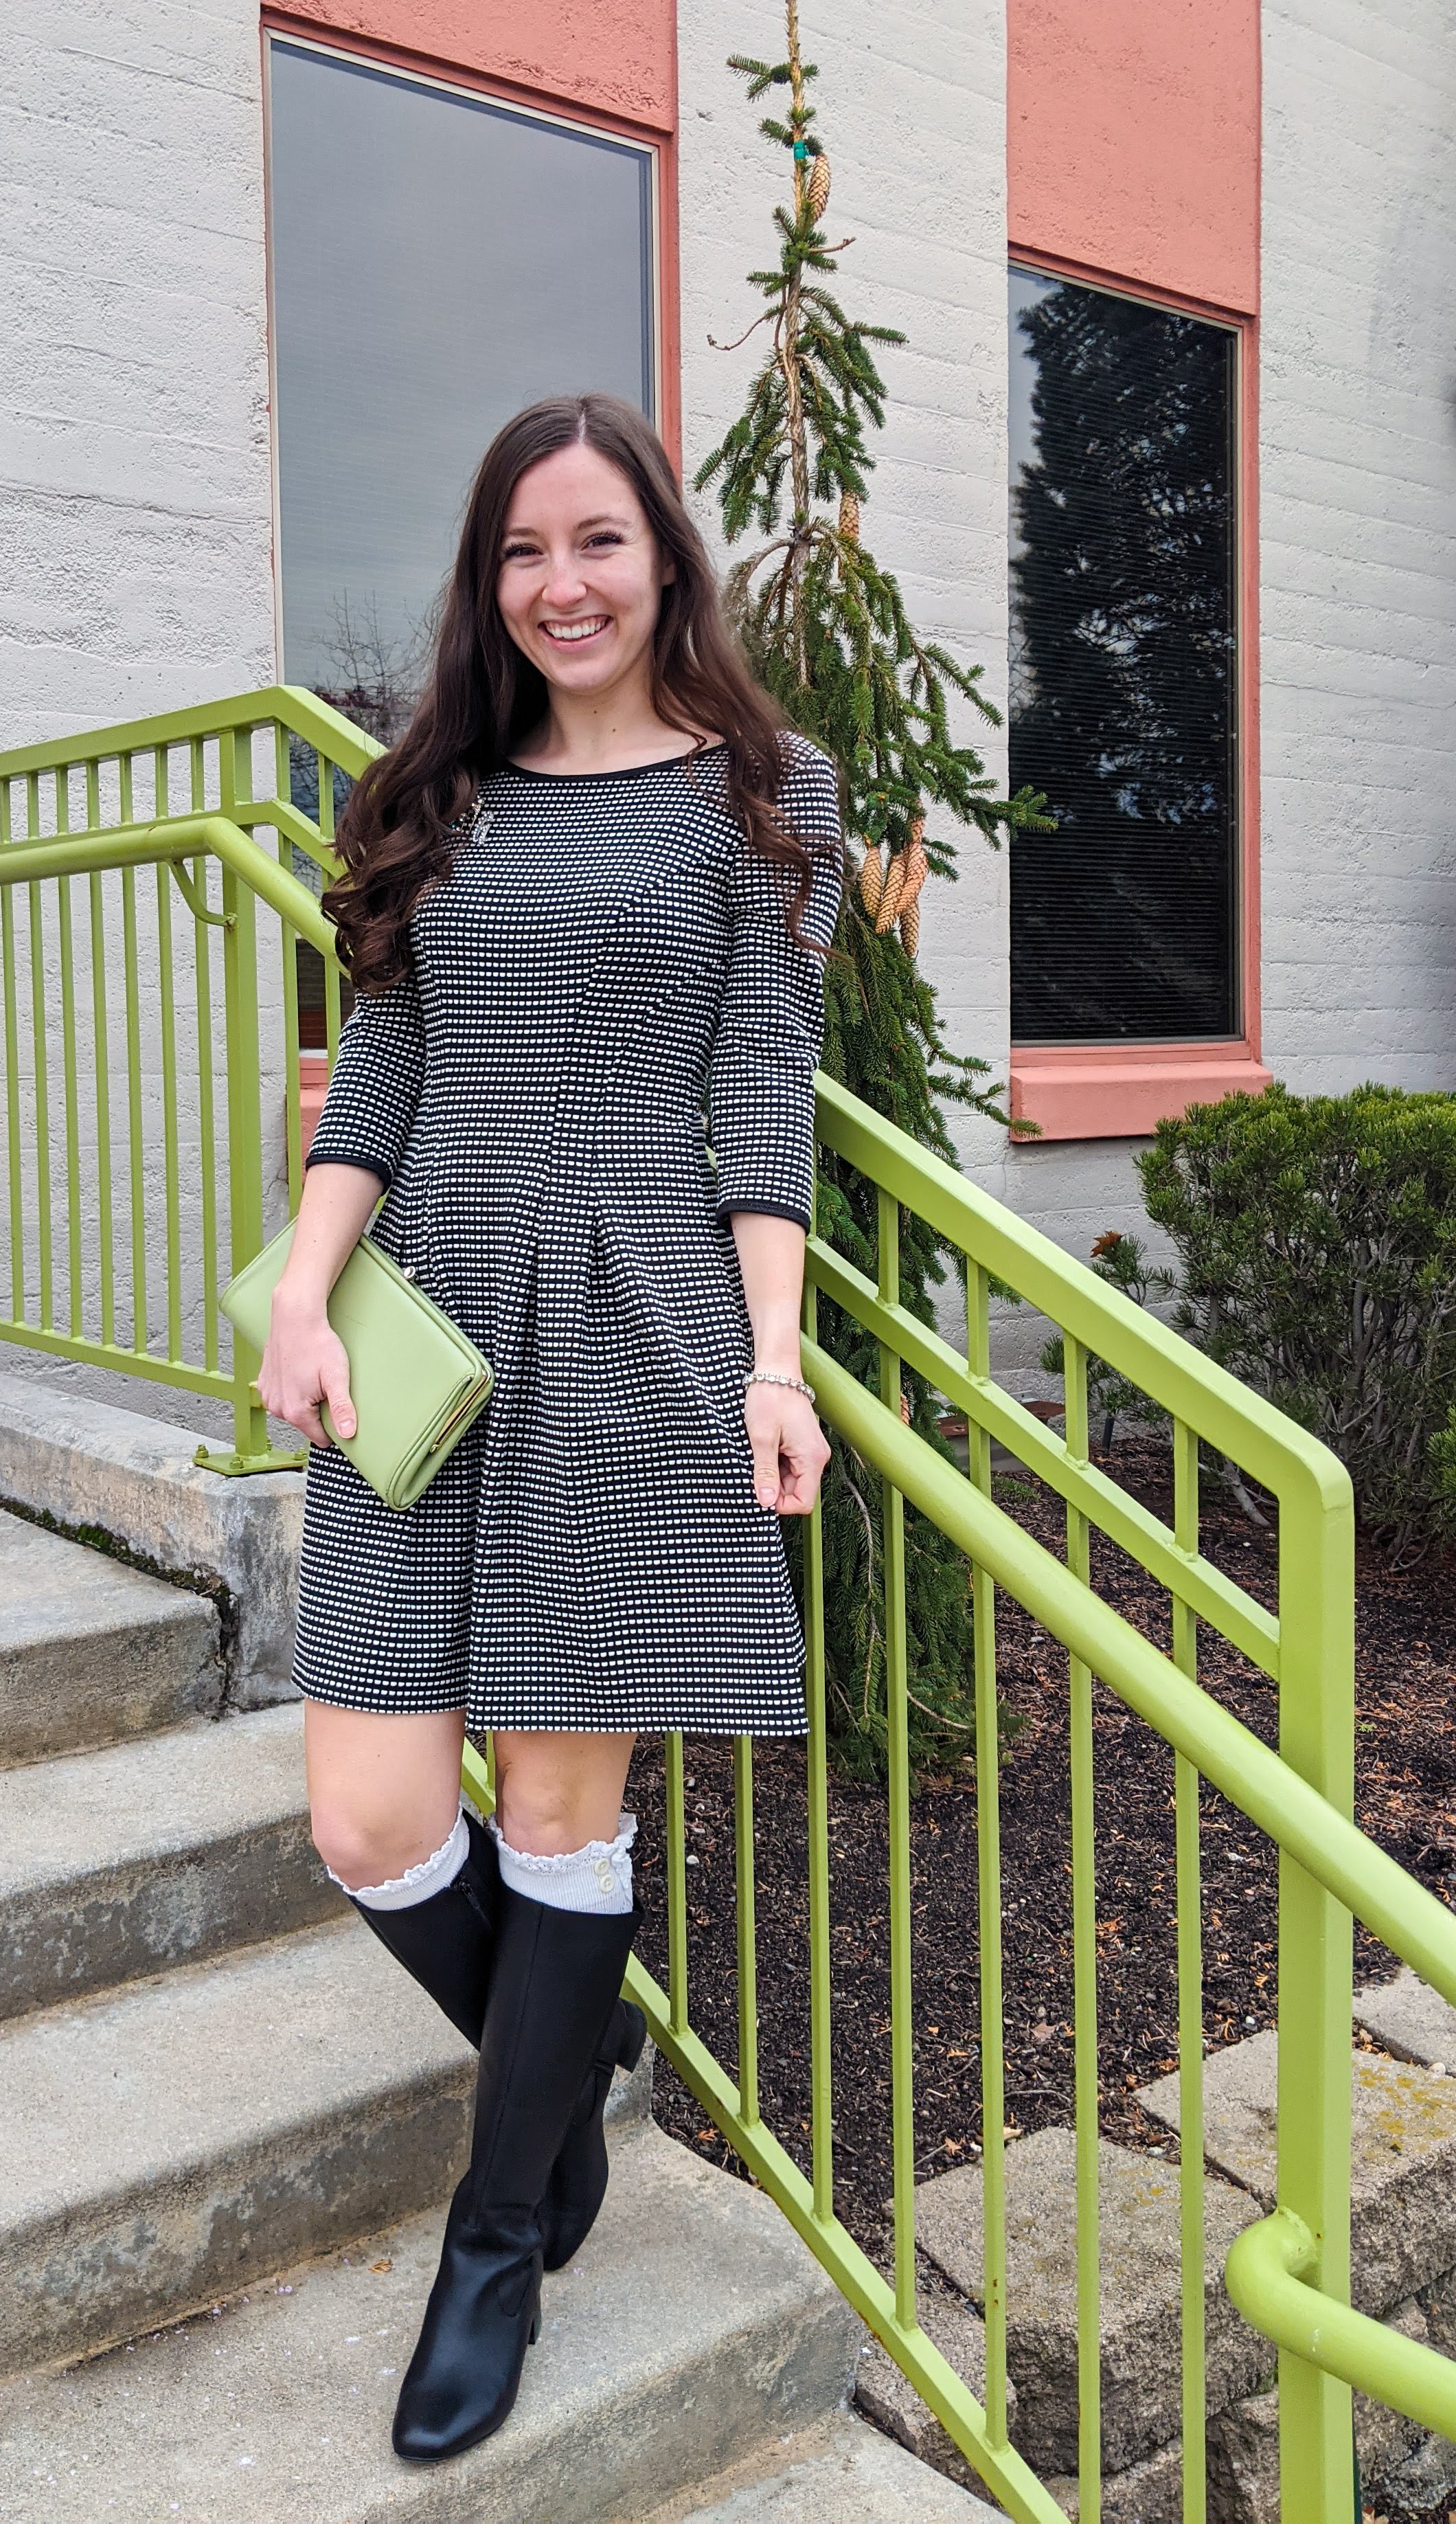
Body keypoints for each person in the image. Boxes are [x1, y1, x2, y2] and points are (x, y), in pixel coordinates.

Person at [253, 391, 843, 2464]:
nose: (560, 584)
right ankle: (557, 2082)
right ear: (485, 581)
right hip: (428, 1317)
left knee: (564, 1814)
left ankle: (495, 2240)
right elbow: (382, 1072)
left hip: (630, 1322)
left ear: (661, 557)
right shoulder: (439, 793)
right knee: (371, 1815)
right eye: (522, 551)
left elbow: (761, 1102)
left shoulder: (766, 793)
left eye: (595, 541)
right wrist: (306, 1287)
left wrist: (772, 1363)